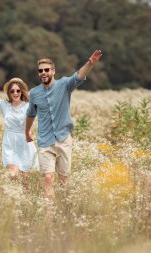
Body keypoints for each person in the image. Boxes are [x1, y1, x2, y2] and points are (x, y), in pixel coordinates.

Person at [25, 50, 102, 199]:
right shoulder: (34, 93)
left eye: (47, 70)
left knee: (64, 181)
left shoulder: (64, 85)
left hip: (63, 140)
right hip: (45, 141)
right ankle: (49, 212)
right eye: (40, 71)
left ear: (53, 71)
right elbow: (30, 114)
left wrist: (90, 63)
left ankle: (63, 209)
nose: (43, 73)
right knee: (48, 177)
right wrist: (27, 131)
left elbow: (78, 76)